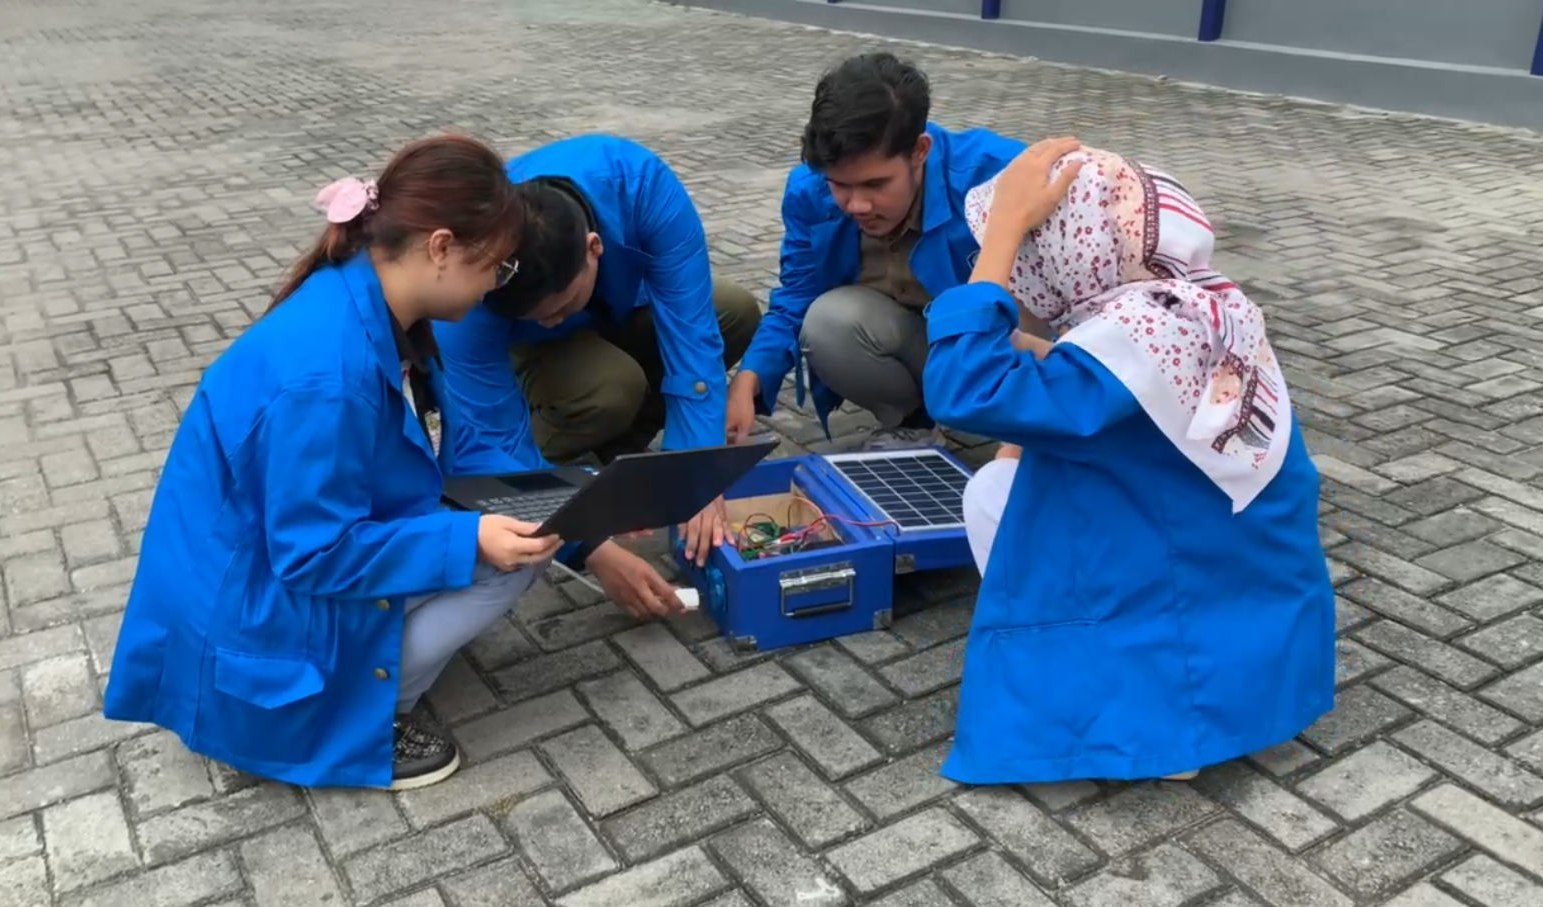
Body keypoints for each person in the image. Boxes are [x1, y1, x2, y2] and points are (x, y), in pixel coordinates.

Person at [101, 135, 671, 794]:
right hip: (253, 630)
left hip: (257, 582)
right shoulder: (329, 376)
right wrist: (470, 537)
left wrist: (578, 508)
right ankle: (368, 715)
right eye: (497, 266)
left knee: (514, 531)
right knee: (511, 557)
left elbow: (456, 453)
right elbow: (313, 554)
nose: (498, 287)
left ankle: (382, 663)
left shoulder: (365, 301)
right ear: (441, 248)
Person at [927, 138, 1335, 785]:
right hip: (1246, 591)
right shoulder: (1194, 305)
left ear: (1071, 251)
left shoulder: (1131, 336)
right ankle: (1188, 699)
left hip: (1177, 585)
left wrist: (1003, 231)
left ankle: (1151, 716)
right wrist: (1036, 350)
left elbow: (960, 386)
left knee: (994, 491)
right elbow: (1118, 383)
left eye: (1032, 249)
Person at [433, 134, 761, 568]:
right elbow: (489, 431)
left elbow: (692, 336)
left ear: (594, 247)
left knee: (734, 310)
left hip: (622, 303)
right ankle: (562, 457)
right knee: (610, 387)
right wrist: (583, 540)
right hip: (521, 352)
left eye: (561, 306)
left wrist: (694, 473)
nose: (551, 321)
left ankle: (621, 449)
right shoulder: (471, 286)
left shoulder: (642, 184)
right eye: (536, 315)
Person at [724, 52, 1045, 451]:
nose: (857, 205)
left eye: (876, 185)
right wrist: (750, 377)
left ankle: (1036, 424)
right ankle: (913, 422)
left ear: (920, 151)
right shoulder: (810, 193)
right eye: (841, 185)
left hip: (1015, 347)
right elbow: (796, 297)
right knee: (827, 322)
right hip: (926, 343)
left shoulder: (999, 177)